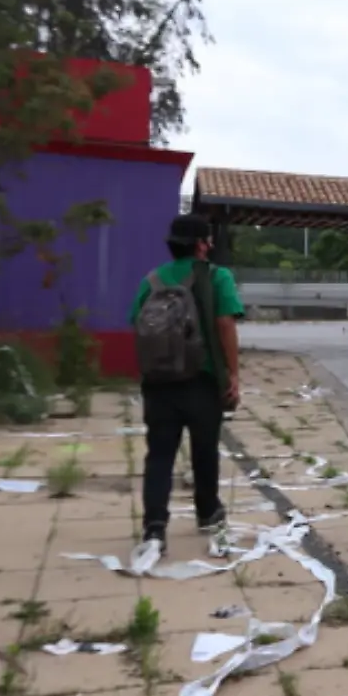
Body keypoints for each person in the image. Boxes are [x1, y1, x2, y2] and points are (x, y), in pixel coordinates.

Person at [130, 214, 244, 552]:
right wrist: (233, 373)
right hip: (202, 381)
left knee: (160, 455)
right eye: (207, 239)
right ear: (201, 244)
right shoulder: (217, 276)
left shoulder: (150, 280)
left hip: (159, 383)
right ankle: (208, 511)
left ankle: (154, 527)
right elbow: (225, 324)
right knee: (204, 450)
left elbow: (136, 324)